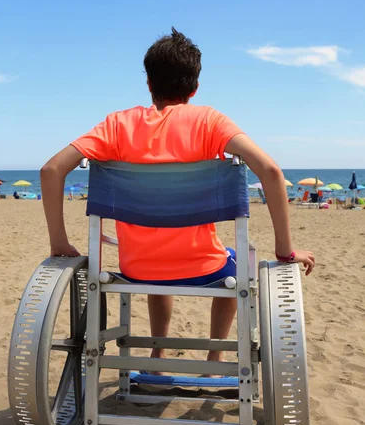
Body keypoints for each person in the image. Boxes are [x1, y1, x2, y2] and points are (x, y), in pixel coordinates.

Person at [40, 27, 315, 373]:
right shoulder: (210, 122)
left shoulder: (116, 125)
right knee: (237, 260)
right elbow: (272, 172)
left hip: (137, 268)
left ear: (150, 84)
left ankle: (158, 356)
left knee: (159, 259)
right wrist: (285, 252)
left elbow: (51, 171)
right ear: (194, 87)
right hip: (203, 268)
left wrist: (59, 242)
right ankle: (214, 358)